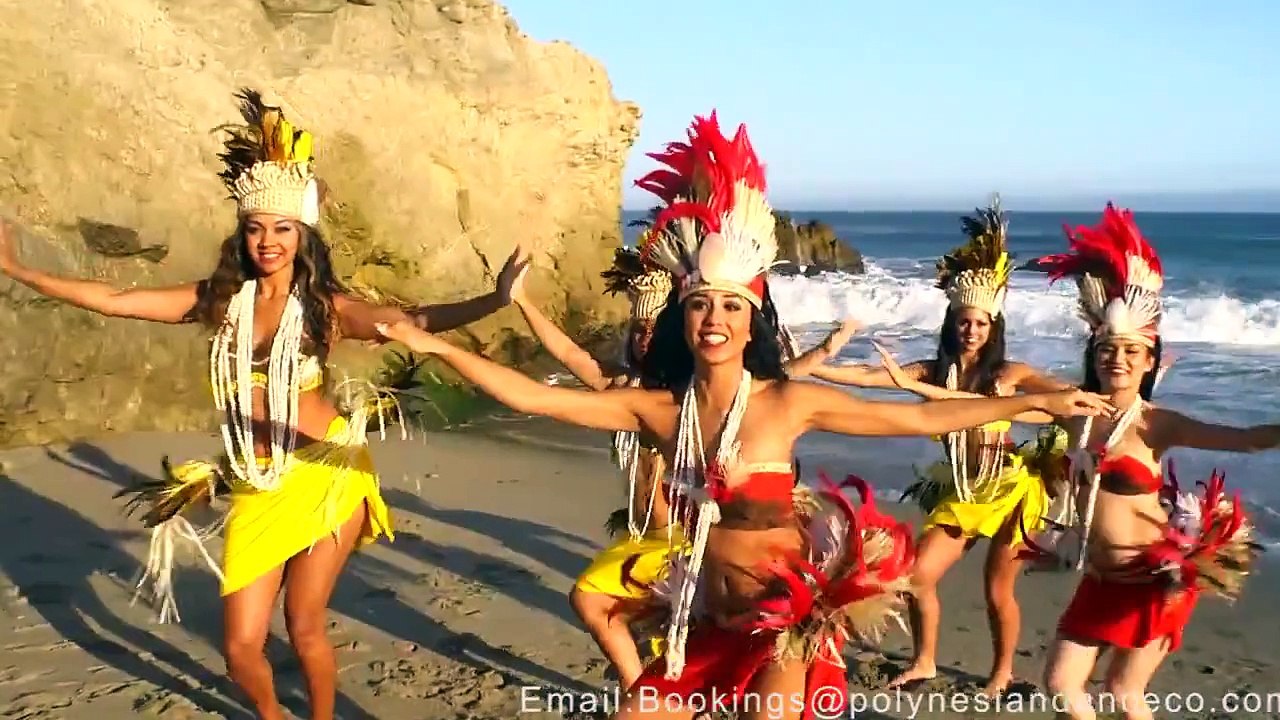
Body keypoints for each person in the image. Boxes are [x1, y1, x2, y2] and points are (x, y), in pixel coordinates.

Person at [373, 112, 1114, 719]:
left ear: (751, 319)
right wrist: (423, 340)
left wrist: (1034, 401)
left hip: (783, 624)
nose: (714, 318)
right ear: (682, 316)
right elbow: (531, 396)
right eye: (700, 304)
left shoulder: (787, 402)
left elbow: (921, 423)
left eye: (731, 305)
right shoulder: (659, 410)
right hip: (699, 615)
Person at [0, 88, 525, 720]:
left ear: (302, 237)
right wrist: (22, 272)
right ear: (242, 236)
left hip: (328, 478)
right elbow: (117, 299)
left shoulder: (325, 310)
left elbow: (410, 318)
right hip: (255, 482)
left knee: (304, 626)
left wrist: (493, 301)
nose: (267, 241)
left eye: (281, 229)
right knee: (240, 646)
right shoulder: (220, 302)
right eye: (255, 229)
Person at [509, 244, 856, 691]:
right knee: (615, 613)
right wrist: (521, 302)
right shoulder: (624, 391)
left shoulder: (699, 397)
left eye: (654, 329)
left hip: (684, 541)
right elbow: (569, 355)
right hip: (650, 535)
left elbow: (783, 374)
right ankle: (647, 687)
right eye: (638, 329)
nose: (645, 338)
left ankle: (651, 686)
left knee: (604, 603)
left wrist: (830, 347)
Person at [800, 197, 1074, 694]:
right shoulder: (933, 369)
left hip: (1011, 490)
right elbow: (870, 377)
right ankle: (924, 660)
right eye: (964, 322)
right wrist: (815, 362)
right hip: (963, 494)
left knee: (997, 589)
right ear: (952, 323)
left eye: (981, 324)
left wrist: (1109, 394)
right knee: (916, 576)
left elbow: (1058, 393)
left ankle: (1001, 672)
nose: (971, 331)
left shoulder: (1008, 375)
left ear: (994, 329)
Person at [1023, 203, 1276, 720]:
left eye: (1130, 352)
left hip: (1152, 583)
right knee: (1062, 686)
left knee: (1124, 694)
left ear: (1148, 361)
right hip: (1098, 580)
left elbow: (1245, 439)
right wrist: (921, 392)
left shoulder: (1156, 423)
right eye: (1107, 350)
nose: (1116, 358)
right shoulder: (1075, 412)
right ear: (1094, 356)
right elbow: (997, 406)